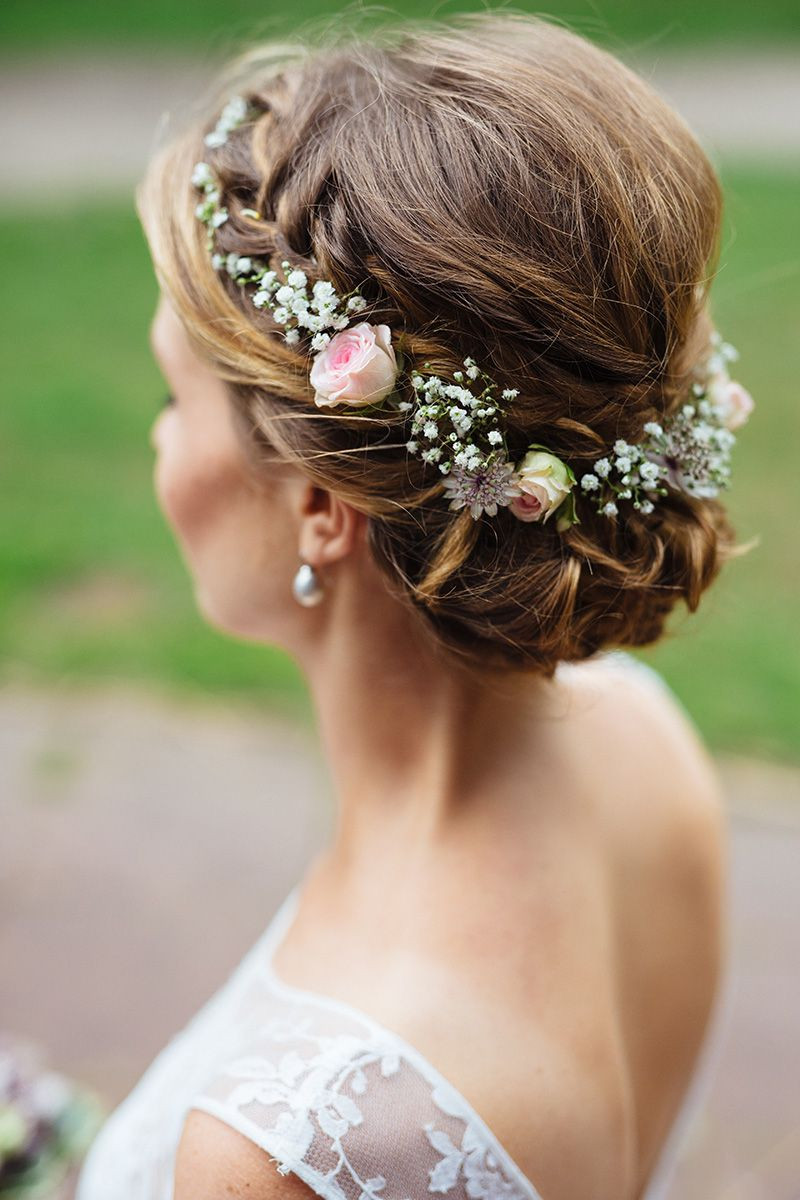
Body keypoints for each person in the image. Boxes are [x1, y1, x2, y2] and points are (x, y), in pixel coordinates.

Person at [76, 10, 754, 1199]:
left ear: (323, 504)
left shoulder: (290, 1148)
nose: (156, 439)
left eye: (172, 391)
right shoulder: (643, 743)